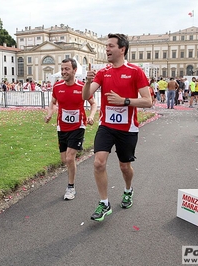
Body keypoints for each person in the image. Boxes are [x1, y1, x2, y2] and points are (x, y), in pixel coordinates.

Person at [83, 33, 152, 221]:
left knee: (124, 166)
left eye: (111, 46)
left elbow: (148, 102)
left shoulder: (135, 71)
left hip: (127, 129)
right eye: (106, 46)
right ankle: (104, 204)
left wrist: (125, 101)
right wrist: (87, 80)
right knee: (98, 162)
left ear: (122, 49)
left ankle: (128, 190)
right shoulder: (103, 72)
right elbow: (85, 96)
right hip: (106, 125)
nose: (106, 49)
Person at [44, 58, 97, 200]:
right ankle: (72, 156)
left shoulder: (82, 87)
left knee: (69, 157)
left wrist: (91, 116)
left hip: (78, 126)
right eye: (62, 69)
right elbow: (53, 102)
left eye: (66, 69)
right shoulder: (57, 86)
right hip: (62, 126)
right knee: (64, 159)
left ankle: (71, 187)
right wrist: (50, 112)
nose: (63, 72)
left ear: (74, 70)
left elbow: (93, 104)